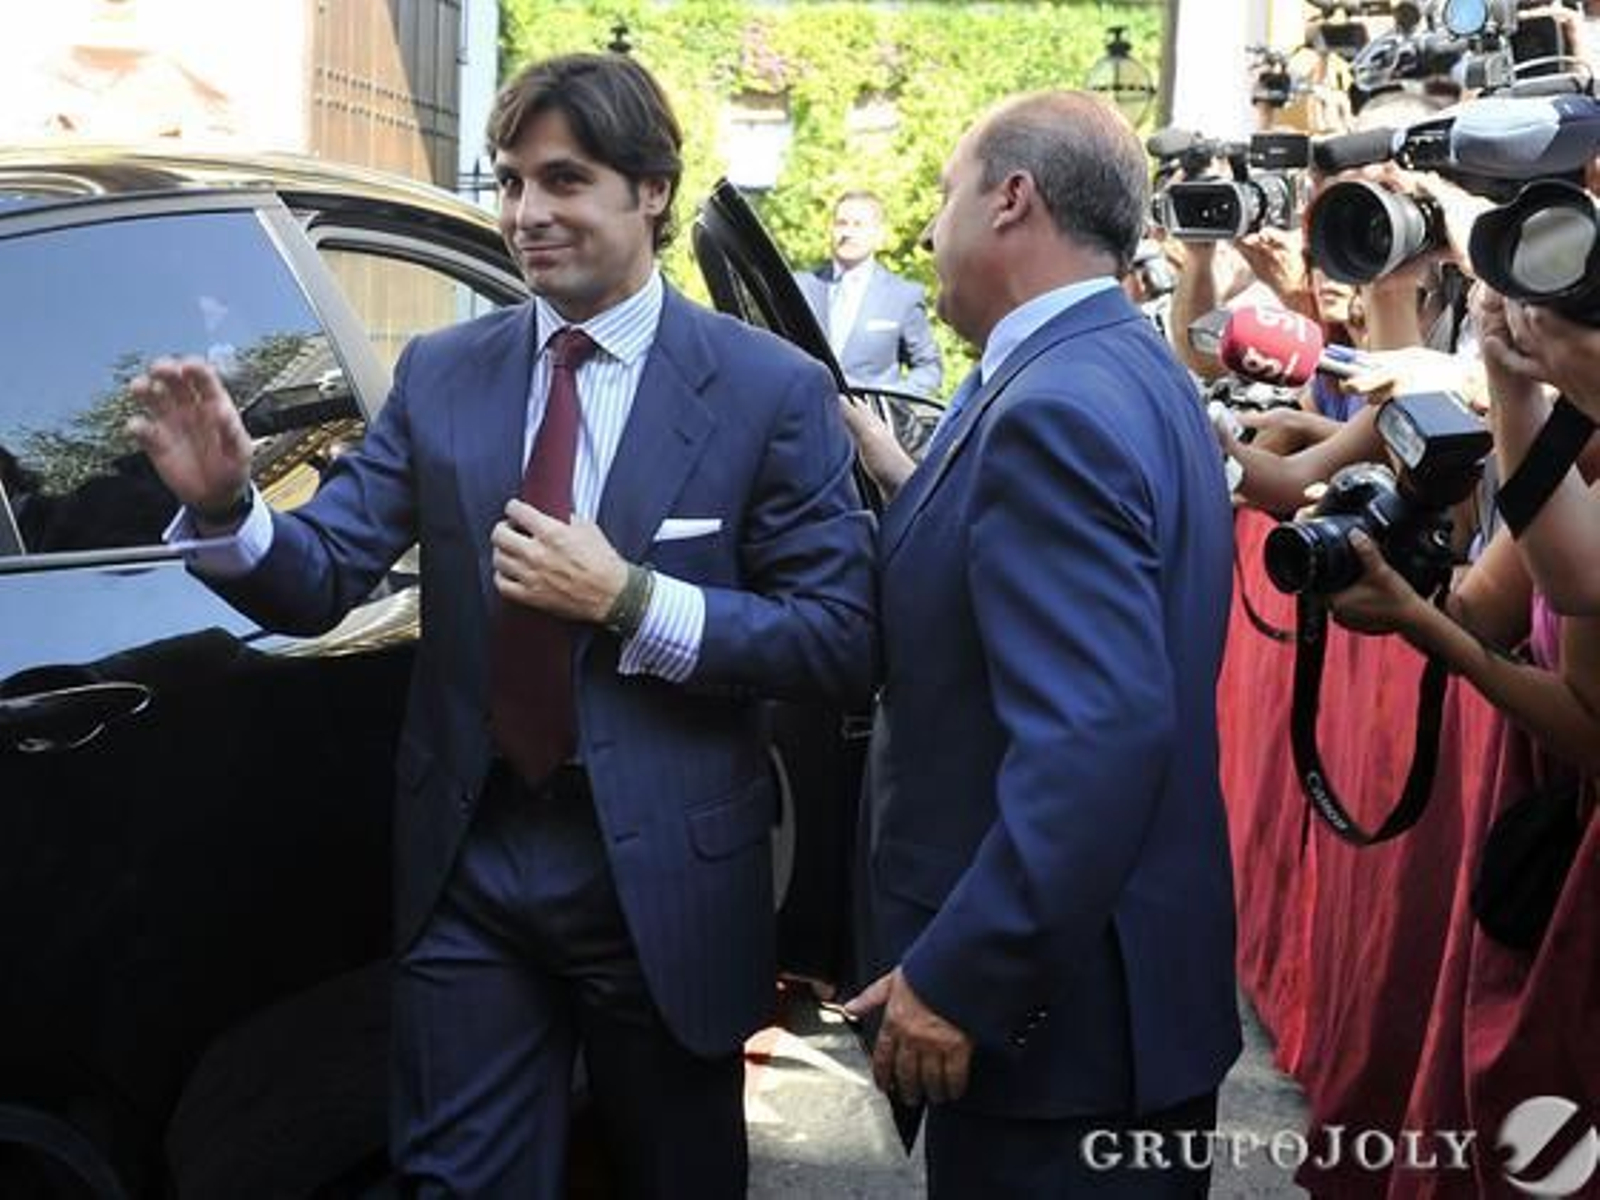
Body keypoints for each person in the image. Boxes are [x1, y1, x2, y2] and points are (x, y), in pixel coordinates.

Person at [126, 52, 875, 1199]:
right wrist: (229, 509)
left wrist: (630, 599)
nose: (527, 214)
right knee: (455, 1182)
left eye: (564, 181)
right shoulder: (443, 373)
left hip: (667, 878)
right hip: (473, 863)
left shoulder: (766, 389)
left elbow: (834, 639)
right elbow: (322, 575)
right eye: (512, 182)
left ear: (652, 191)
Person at [846, 90, 1242, 1196]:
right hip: (1118, 1015)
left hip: (1060, 1042)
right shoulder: (1122, 361)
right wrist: (911, 487)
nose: (929, 230)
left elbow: (1094, 738)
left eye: (944, 194)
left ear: (1011, 198)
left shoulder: (1050, 407)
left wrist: (963, 976)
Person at [794, 190, 943, 397]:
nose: (847, 232)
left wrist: (886, 399)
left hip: (868, 423)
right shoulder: (800, 287)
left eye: (858, 225)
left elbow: (929, 369)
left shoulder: (903, 296)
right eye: (841, 223)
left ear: (878, 234)